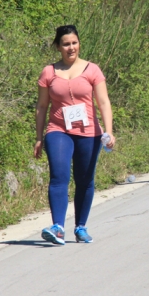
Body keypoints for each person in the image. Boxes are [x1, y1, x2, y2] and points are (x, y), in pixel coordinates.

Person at [34, 25, 115, 245]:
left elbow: (104, 102)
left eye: (74, 43)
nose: (71, 48)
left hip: (88, 132)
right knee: (59, 176)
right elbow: (42, 106)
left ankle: (80, 226)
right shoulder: (48, 72)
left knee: (85, 180)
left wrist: (109, 131)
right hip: (58, 130)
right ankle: (58, 228)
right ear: (58, 47)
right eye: (66, 44)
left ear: (79, 43)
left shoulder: (92, 70)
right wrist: (39, 137)